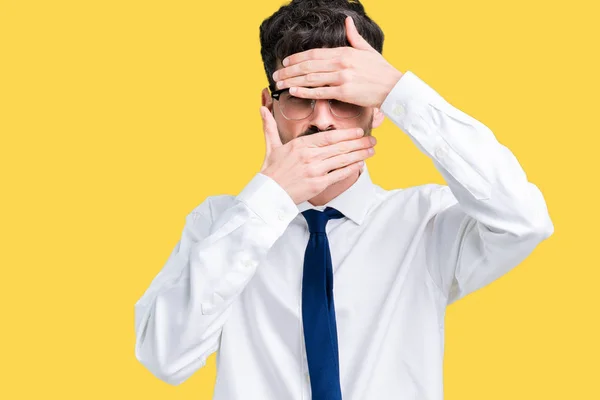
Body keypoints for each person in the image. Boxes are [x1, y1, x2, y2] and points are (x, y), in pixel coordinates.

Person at [133, 0, 554, 399]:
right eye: (301, 97)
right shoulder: (219, 222)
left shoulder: (427, 222)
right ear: (270, 105)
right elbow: (164, 357)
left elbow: (525, 221)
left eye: (344, 100)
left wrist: (399, 91)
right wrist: (268, 201)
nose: (321, 119)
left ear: (377, 110)